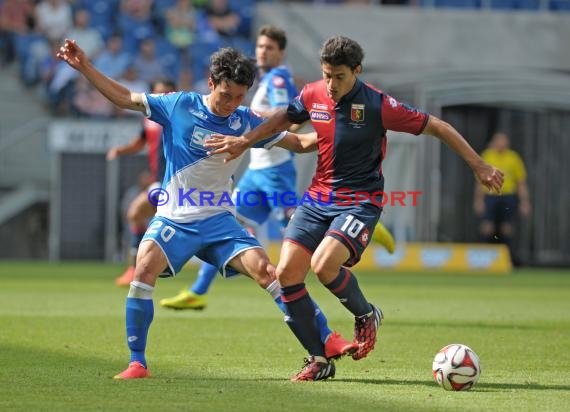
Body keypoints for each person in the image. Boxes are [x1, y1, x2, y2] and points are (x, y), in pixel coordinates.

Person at [204, 35, 505, 381]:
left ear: (357, 71)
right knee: (286, 275)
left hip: (361, 201)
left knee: (323, 265)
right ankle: (318, 360)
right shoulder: (313, 94)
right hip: (317, 198)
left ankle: (365, 314)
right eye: (327, 75)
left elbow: (437, 126)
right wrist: (244, 141)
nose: (331, 85)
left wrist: (479, 165)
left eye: (340, 77)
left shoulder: (379, 105)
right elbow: (281, 119)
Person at [57, 39, 358, 380]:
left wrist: (343, 126)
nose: (231, 104)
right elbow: (125, 98)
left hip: (219, 222)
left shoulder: (246, 121)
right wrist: (84, 67)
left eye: (239, 97)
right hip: (175, 217)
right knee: (143, 271)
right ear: (211, 82)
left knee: (269, 274)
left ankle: (326, 337)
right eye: (225, 95)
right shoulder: (178, 105)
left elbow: (301, 143)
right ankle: (137, 363)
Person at [160, 25, 395, 312]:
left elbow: (288, 115)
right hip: (256, 171)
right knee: (230, 227)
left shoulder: (279, 79)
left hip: (276, 169)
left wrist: (263, 127)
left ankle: (364, 227)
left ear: (281, 53)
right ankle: (198, 290)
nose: (263, 52)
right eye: (260, 46)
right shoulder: (264, 80)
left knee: (298, 232)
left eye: (269, 48)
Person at [106, 78, 177, 286]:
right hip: (159, 181)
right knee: (136, 215)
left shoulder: (178, 116)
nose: (161, 98)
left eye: (166, 93)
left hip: (175, 181)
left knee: (139, 215)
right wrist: (122, 150)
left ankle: (139, 268)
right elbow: (141, 142)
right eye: (157, 94)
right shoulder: (149, 118)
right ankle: (137, 268)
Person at [474, 131, 530, 265]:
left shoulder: (513, 158)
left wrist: (525, 202)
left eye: (503, 140)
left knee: (507, 228)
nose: (501, 143)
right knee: (487, 227)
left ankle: (508, 260)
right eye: (498, 140)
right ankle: (483, 261)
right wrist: (478, 200)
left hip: (508, 196)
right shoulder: (487, 155)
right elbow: (478, 181)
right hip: (490, 196)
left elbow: (520, 182)